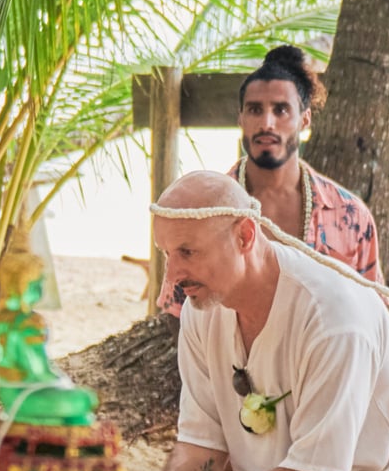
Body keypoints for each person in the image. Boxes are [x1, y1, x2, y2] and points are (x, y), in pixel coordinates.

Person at [150, 170, 389, 471]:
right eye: (167, 253)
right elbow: (202, 446)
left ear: (244, 236)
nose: (173, 274)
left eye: (187, 251)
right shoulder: (203, 309)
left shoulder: (334, 317)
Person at [161, 45, 377, 312]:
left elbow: (371, 315)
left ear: (304, 120)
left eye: (281, 110)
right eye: (254, 110)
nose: (267, 123)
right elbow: (177, 313)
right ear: (240, 118)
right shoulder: (201, 212)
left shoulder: (351, 217)